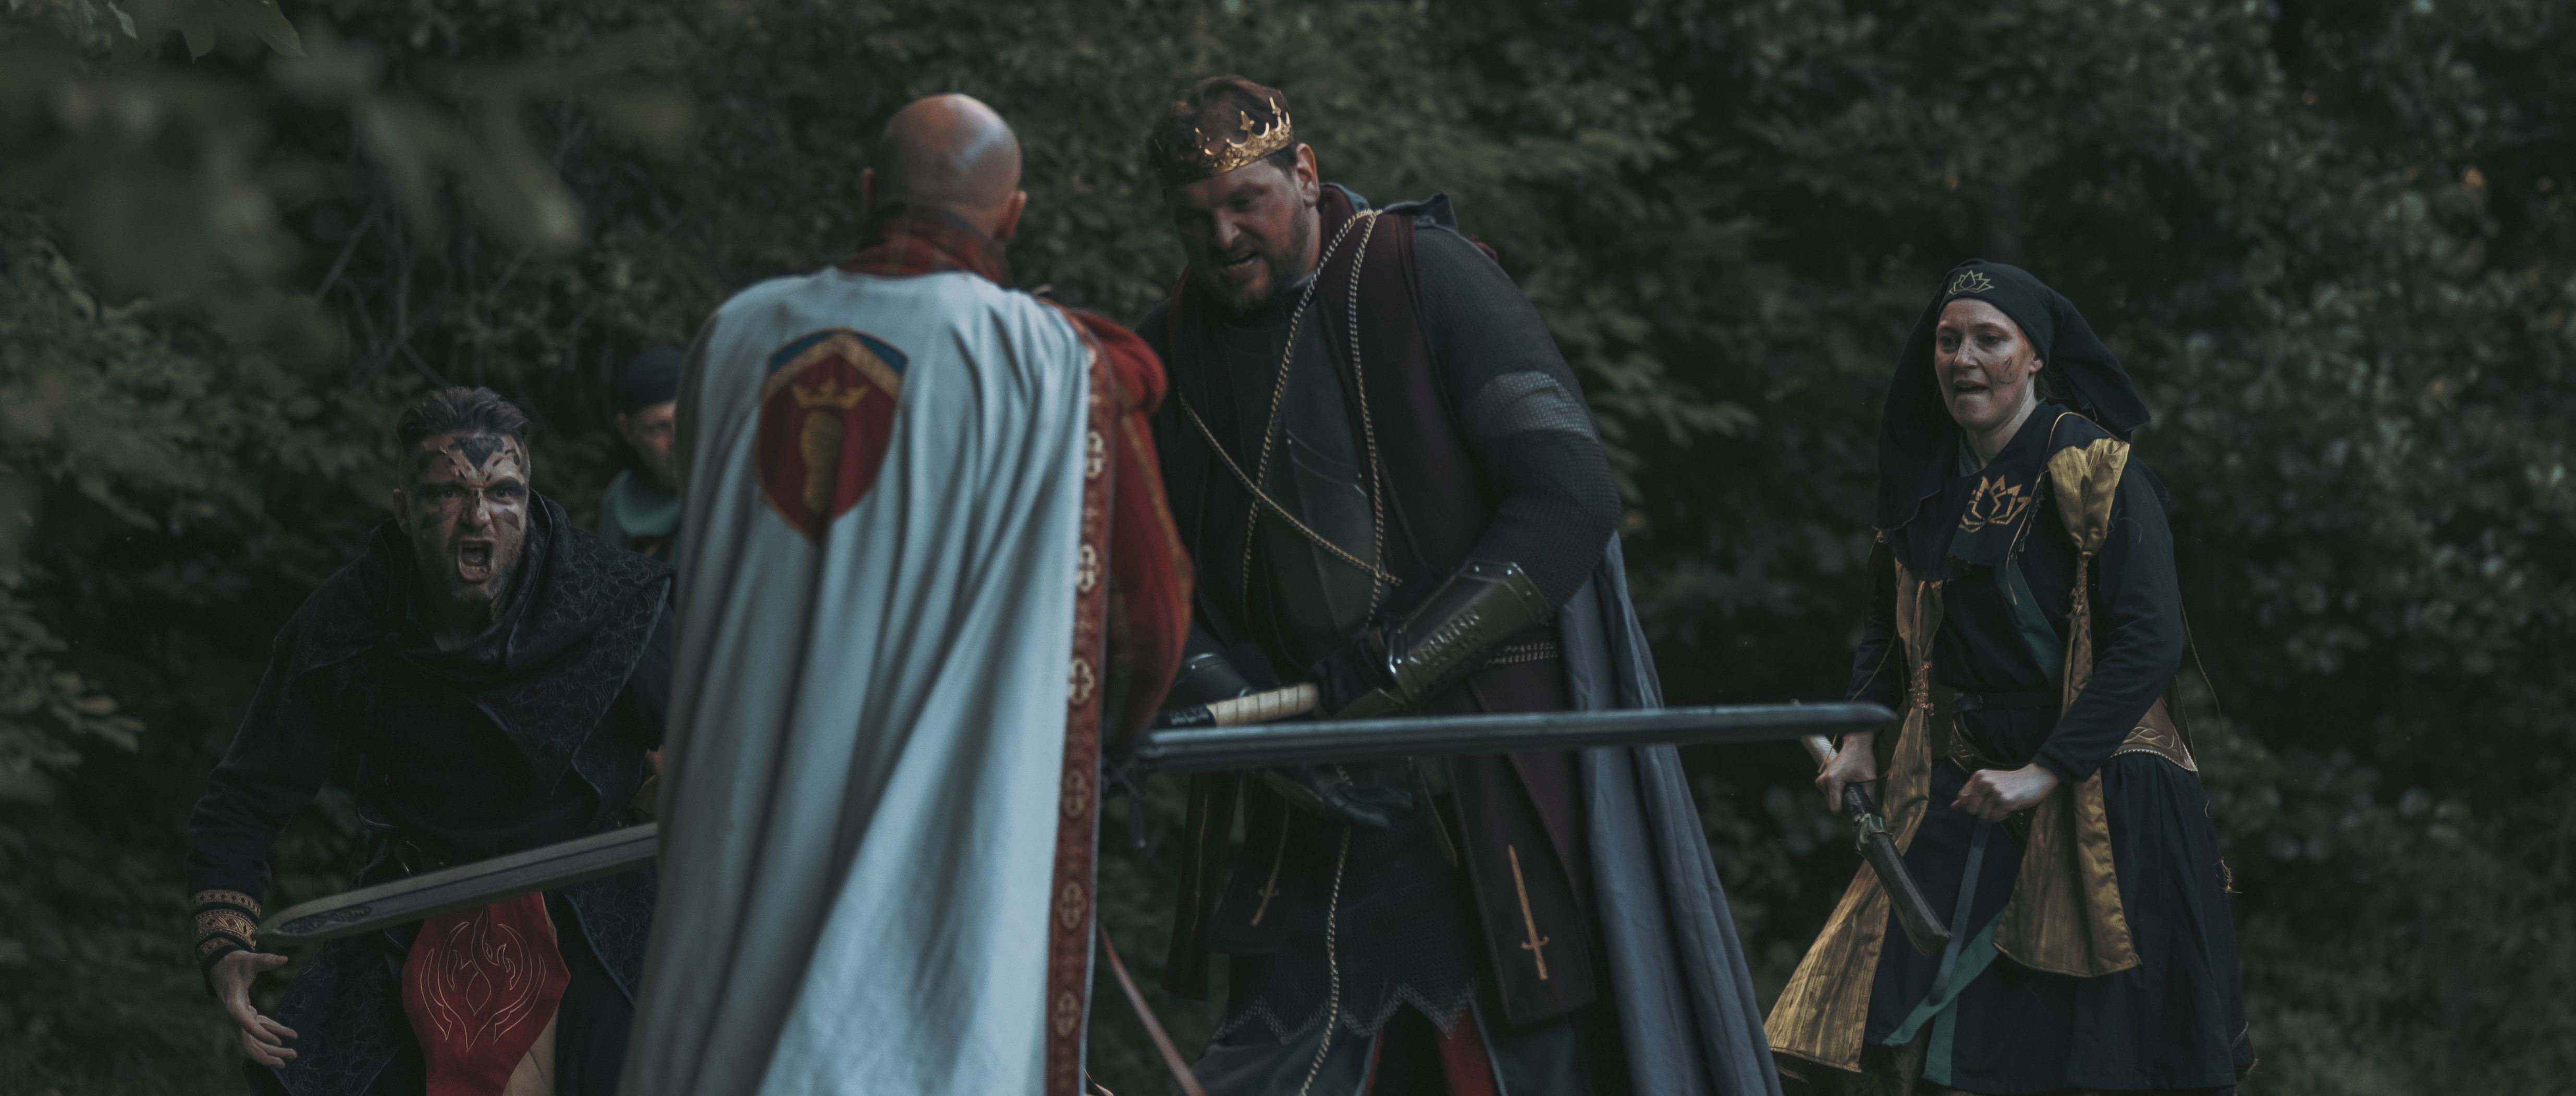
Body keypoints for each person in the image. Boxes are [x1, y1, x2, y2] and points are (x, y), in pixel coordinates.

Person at [1136, 76, 1780, 1095]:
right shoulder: (1166, 352)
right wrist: (1253, 725)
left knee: (1542, 1063)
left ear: (1303, 173)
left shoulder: (1418, 271)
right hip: (1316, 805)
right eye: (1192, 218)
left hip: (1485, 775)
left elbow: (1567, 500)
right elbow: (1148, 581)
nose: (1220, 237)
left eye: (1244, 201)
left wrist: (1396, 662)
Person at [617, 93, 1189, 1096]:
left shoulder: (730, 340)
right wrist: (1104, 741)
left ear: (867, 192)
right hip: (936, 850)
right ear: (1013, 214)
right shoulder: (1050, 365)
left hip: (737, 833)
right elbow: (1147, 627)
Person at [1765, 261, 2254, 1094]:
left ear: (2034, 357)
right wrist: (1858, 738)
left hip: (2106, 784)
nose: (1964, 359)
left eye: (1989, 340)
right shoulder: (1927, 481)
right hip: (1973, 779)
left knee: (2077, 1051)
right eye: (1947, 340)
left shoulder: (2093, 470)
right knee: (1883, 1012)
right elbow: (1887, 631)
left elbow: (2148, 642)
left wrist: (2046, 768)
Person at [186, 386, 673, 1096]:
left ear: (529, 498)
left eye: (503, 492)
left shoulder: (612, 605)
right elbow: (243, 801)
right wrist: (225, 944)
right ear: (403, 508)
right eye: (448, 492)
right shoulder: (346, 627)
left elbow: (724, 751)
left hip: (596, 897)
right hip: (416, 904)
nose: (479, 516)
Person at [598, 347, 684, 559]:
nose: (679, 441)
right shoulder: (621, 497)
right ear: (628, 430)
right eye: (660, 428)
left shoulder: (734, 493)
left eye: (687, 420)